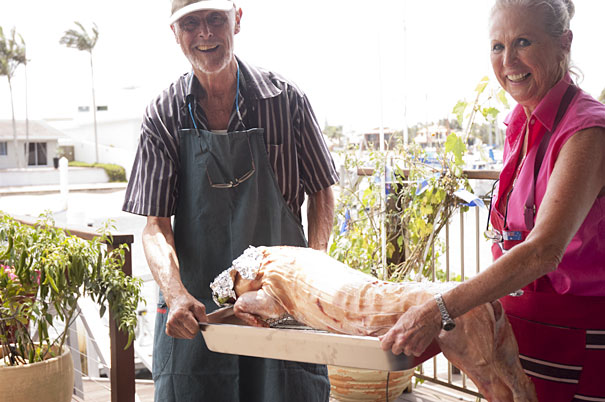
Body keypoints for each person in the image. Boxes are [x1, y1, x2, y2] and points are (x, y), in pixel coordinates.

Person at [379, 0, 605, 401]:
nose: (508, 61)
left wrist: (439, 309)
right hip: (521, 337)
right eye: (497, 47)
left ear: (564, 43)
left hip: (581, 343)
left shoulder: (588, 130)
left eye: (522, 42)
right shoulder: (519, 122)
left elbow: (543, 252)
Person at [122, 0, 338, 400]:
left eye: (215, 19)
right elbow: (155, 226)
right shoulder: (163, 114)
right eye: (191, 23)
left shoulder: (286, 101)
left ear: (237, 19)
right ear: (174, 32)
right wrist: (175, 294)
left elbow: (322, 190)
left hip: (281, 306)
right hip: (198, 313)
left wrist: (314, 268)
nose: (204, 33)